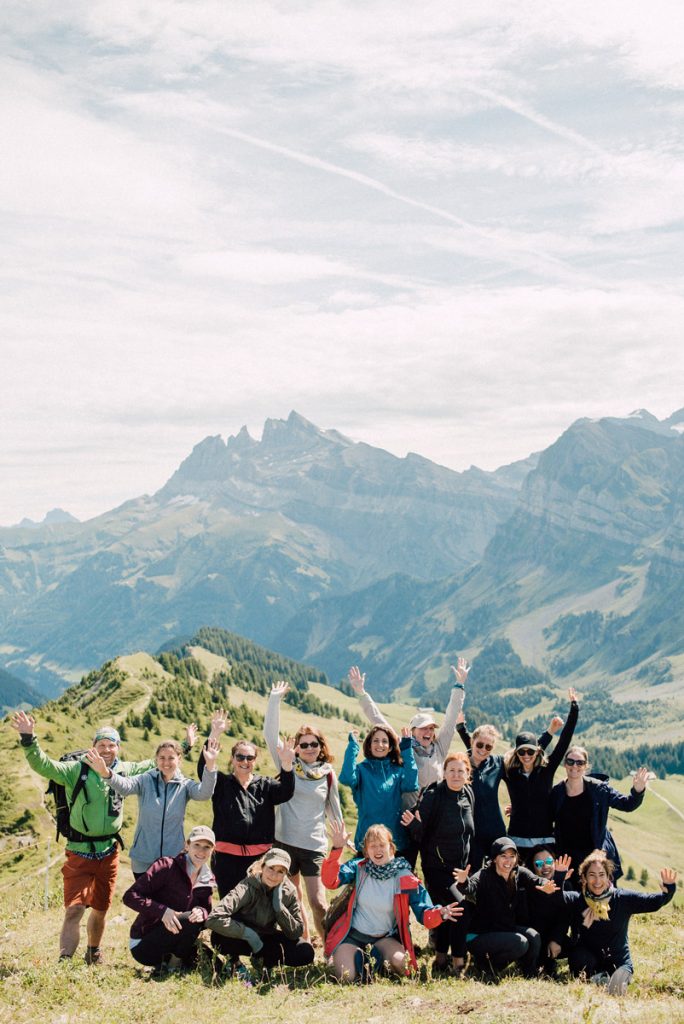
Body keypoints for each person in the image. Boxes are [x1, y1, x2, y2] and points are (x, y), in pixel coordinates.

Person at [10, 710, 154, 963]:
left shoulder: (125, 770)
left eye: (111, 745)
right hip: (78, 851)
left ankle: (93, 951)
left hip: (109, 852)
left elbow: (155, 763)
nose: (107, 749)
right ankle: (65, 960)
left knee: (100, 909)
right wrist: (28, 738)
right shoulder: (76, 769)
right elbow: (43, 765)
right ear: (93, 747)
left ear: (118, 748)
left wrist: (186, 744)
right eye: (102, 745)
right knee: (74, 908)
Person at [322, 820, 462, 981]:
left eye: (382, 845)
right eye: (372, 846)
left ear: (391, 848)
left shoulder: (404, 876)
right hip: (353, 937)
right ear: (366, 851)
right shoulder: (359, 868)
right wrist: (336, 849)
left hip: (384, 938)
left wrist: (440, 913)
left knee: (404, 967)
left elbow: (424, 914)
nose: (378, 849)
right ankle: (359, 961)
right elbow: (330, 881)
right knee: (346, 977)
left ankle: (372, 962)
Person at [264, 680, 343, 941]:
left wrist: (340, 842)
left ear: (321, 746)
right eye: (304, 744)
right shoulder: (288, 763)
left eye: (314, 744)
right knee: (293, 899)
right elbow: (269, 734)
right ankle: (306, 942)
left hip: (313, 846)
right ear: (297, 746)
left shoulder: (327, 773)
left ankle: (330, 946)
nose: (309, 749)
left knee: (318, 901)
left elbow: (334, 808)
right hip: (284, 841)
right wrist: (275, 699)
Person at [85, 735, 219, 877]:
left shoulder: (185, 785)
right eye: (162, 758)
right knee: (143, 899)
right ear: (156, 759)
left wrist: (210, 766)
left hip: (173, 859)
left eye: (171, 758)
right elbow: (125, 786)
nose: (166, 762)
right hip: (143, 858)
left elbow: (204, 794)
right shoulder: (145, 779)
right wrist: (106, 773)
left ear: (179, 759)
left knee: (168, 899)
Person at [198, 708, 296, 897]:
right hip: (226, 859)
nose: (245, 761)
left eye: (250, 757)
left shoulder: (265, 785)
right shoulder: (220, 783)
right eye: (240, 757)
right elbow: (205, 769)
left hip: (259, 860)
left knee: (257, 904)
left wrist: (286, 764)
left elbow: (286, 792)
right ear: (233, 759)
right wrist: (215, 733)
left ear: (255, 760)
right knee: (229, 902)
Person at [562, 849, 677, 995]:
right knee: (578, 957)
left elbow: (653, 902)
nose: (597, 881)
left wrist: (669, 890)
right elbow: (556, 899)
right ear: (584, 878)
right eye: (592, 875)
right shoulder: (578, 900)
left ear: (609, 877)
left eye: (601, 875)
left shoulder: (622, 898)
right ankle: (598, 978)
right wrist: (560, 878)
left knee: (617, 982)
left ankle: (611, 979)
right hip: (589, 958)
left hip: (618, 960)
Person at [401, 752, 474, 976]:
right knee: (460, 907)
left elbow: (471, 831)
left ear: (467, 774)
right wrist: (413, 825)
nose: (455, 775)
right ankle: (458, 961)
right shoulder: (434, 795)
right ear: (444, 772)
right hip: (437, 868)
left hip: (460, 870)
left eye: (460, 771)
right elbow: (421, 835)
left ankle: (440, 958)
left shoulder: (468, 794)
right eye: (451, 770)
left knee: (448, 911)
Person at [456, 716, 559, 870]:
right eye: (480, 745)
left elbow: (527, 752)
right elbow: (476, 751)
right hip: (473, 835)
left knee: (502, 875)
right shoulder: (461, 767)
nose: (484, 749)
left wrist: (550, 732)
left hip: (497, 833)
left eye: (488, 747)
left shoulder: (498, 764)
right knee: (474, 876)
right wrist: (461, 728)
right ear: (472, 742)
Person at [348, 659, 469, 789]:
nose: (428, 732)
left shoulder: (439, 748)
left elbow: (451, 719)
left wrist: (459, 685)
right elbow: (378, 719)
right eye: (423, 728)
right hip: (408, 809)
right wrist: (361, 693)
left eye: (431, 728)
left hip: (435, 809)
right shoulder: (403, 747)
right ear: (413, 732)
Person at [451, 837, 558, 978]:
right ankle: (486, 968)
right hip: (479, 935)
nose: (509, 861)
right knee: (521, 942)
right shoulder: (484, 875)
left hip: (503, 929)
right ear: (495, 859)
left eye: (512, 856)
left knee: (533, 936)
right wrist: (463, 881)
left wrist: (545, 884)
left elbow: (535, 879)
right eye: (504, 856)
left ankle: (529, 973)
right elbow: (469, 888)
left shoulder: (519, 872)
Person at [206, 847, 315, 976]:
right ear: (262, 867)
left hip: (267, 936)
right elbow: (213, 918)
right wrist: (249, 934)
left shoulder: (289, 891)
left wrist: (279, 908)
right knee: (219, 937)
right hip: (242, 936)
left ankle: (265, 963)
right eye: (271, 868)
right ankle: (235, 963)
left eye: (280, 871)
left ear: (286, 874)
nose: (274, 875)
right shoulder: (247, 886)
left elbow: (296, 932)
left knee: (305, 951)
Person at [122, 825, 217, 972]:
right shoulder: (167, 865)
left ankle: (172, 962)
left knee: (217, 967)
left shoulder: (207, 878)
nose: (201, 851)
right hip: (144, 944)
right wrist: (162, 911)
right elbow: (130, 896)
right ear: (187, 845)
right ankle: (174, 964)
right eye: (196, 845)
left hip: (176, 939)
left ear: (212, 851)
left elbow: (206, 909)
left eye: (207, 847)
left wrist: (201, 911)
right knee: (189, 919)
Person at [503, 689, 579, 861]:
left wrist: (574, 709)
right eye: (521, 752)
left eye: (530, 751)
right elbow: (481, 757)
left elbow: (564, 741)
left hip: (545, 840)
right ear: (516, 754)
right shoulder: (510, 773)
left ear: (537, 752)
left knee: (545, 883)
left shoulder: (546, 770)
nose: (526, 756)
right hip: (517, 840)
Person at [551, 747, 648, 882]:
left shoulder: (599, 789)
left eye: (580, 763)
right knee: (574, 900)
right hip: (569, 860)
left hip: (596, 857)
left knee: (602, 899)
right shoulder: (556, 793)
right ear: (565, 764)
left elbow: (627, 804)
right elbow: (544, 817)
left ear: (586, 766)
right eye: (570, 761)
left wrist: (638, 791)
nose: (575, 766)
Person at [339, 723, 418, 855]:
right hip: (367, 841)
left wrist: (406, 749)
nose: (380, 745)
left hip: (394, 841)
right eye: (375, 740)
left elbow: (411, 784)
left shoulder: (397, 771)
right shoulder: (361, 770)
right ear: (369, 745)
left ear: (390, 747)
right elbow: (346, 778)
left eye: (384, 741)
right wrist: (353, 747)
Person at [527, 847, 573, 975]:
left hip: (554, 935)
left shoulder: (566, 885)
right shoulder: (528, 887)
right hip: (533, 938)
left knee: (576, 946)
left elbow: (565, 918)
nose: (545, 866)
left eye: (548, 861)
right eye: (539, 864)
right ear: (532, 867)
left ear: (555, 862)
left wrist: (556, 940)